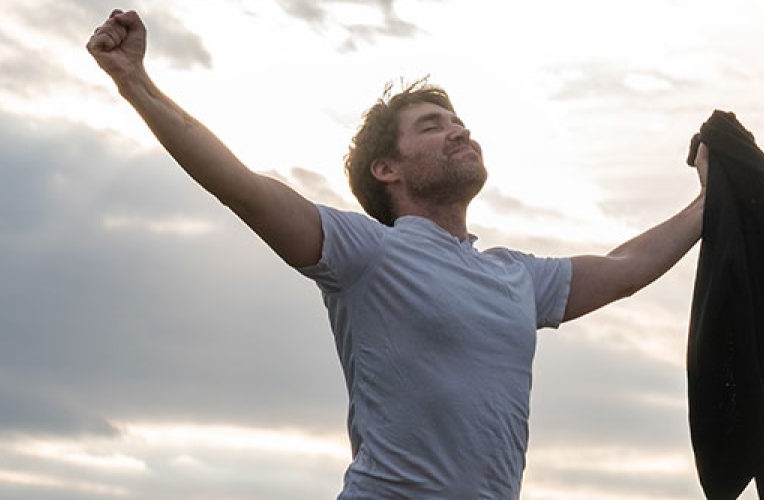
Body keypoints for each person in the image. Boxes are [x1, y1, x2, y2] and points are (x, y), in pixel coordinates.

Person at [87, 9, 709, 499]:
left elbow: (626, 268)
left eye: (459, 122)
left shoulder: (517, 276)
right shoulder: (368, 253)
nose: (460, 130)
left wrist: (712, 200)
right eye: (433, 125)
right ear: (387, 169)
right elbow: (240, 186)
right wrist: (136, 82)